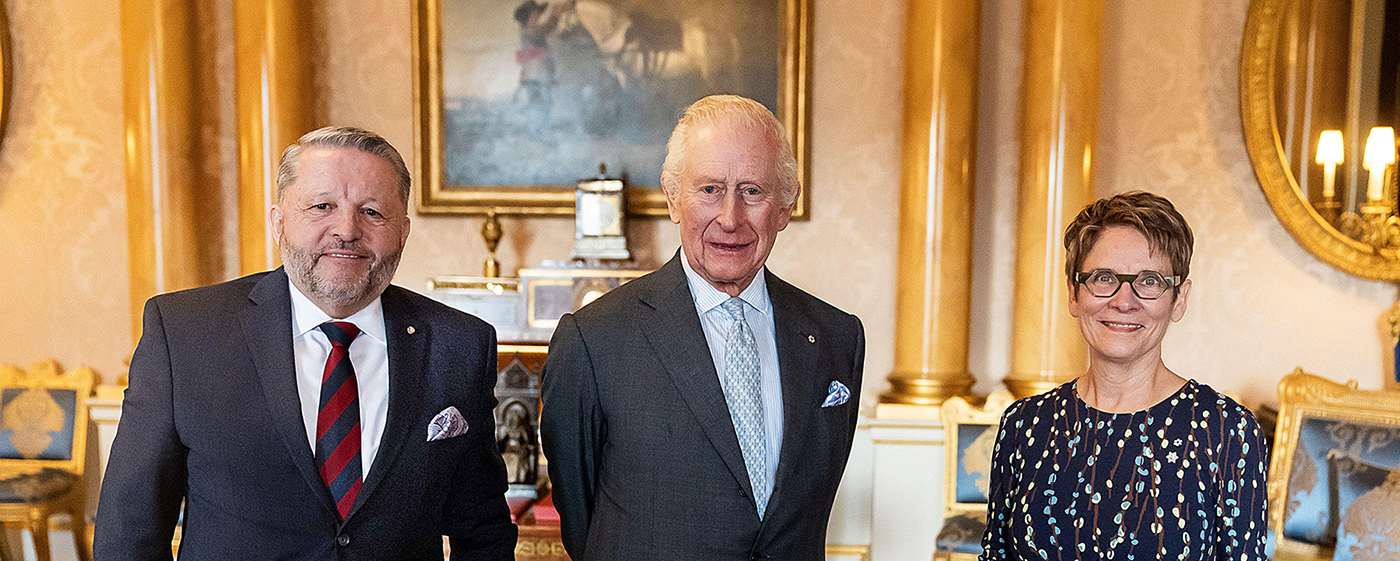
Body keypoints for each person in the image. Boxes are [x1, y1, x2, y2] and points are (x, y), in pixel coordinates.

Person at [94, 126, 517, 560]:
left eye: (372, 212)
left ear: (403, 231)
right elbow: (129, 530)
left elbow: (482, 529)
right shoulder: (185, 334)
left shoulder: (460, 345)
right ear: (278, 222)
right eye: (322, 206)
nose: (347, 230)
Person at [540, 95, 865, 560]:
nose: (730, 219)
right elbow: (581, 517)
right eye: (710, 189)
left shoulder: (837, 338)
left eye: (752, 191)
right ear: (674, 200)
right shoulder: (595, 340)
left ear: (785, 207)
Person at [979, 191, 1268, 560]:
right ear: (1073, 292)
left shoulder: (1227, 431)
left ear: (1179, 299)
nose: (1124, 301)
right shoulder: (1024, 426)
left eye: (1149, 281)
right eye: (1103, 277)